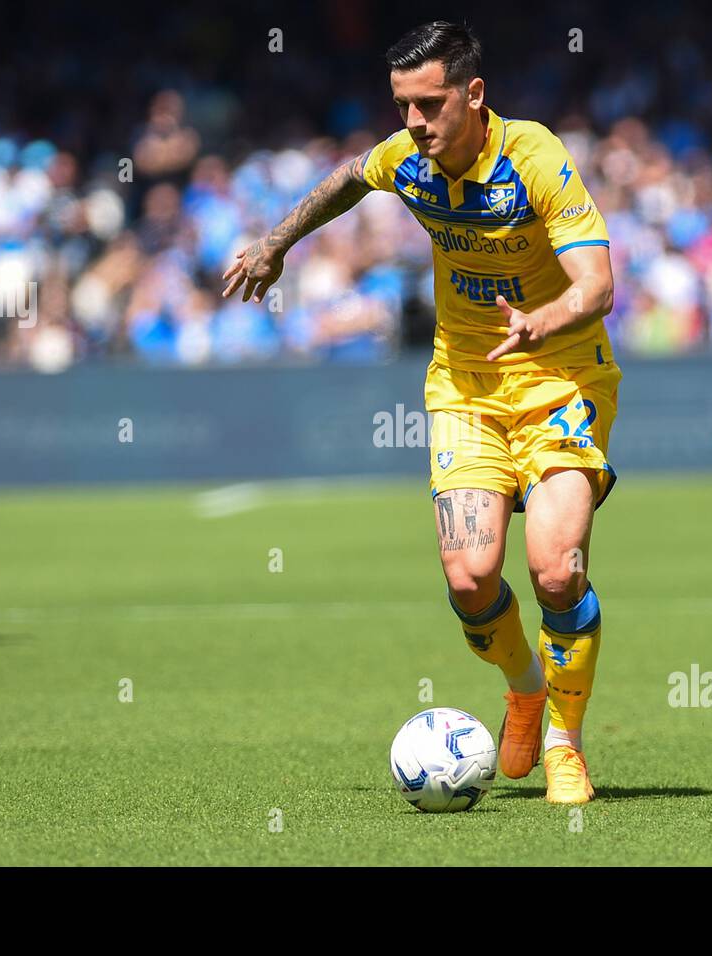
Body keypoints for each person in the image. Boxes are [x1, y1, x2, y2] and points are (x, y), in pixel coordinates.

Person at [223, 22, 619, 803]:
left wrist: (543, 320)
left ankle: (566, 743)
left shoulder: (533, 156)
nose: (413, 122)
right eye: (402, 105)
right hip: (465, 388)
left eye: (429, 104)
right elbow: (348, 177)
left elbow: (598, 284)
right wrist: (276, 243)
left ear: (473, 95)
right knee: (472, 580)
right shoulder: (408, 158)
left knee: (555, 567)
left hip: (560, 378)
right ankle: (524, 687)